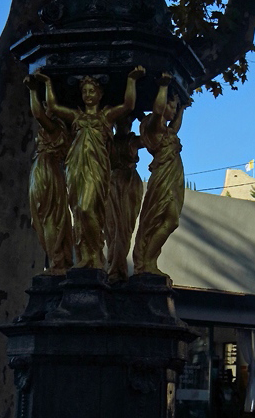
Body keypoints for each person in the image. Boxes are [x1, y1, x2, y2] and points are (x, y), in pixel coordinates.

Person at [35, 66, 145, 269]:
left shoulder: (106, 116)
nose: (87, 95)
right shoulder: (76, 117)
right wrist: (47, 84)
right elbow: (52, 105)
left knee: (88, 209)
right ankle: (85, 257)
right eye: (84, 91)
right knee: (78, 210)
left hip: (97, 169)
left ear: (100, 93)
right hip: (76, 168)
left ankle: (95, 256)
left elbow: (128, 105)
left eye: (91, 91)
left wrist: (131, 80)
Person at [133, 74, 191, 277]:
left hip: (173, 175)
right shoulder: (153, 124)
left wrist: (182, 109)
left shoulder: (168, 131)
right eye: (172, 106)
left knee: (171, 220)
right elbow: (158, 111)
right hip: (163, 176)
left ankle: (149, 260)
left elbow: (175, 127)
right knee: (164, 218)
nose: (173, 111)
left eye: (175, 108)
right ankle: (147, 262)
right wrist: (163, 87)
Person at [25, 74, 73, 274]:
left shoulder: (55, 128)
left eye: (48, 105)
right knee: (44, 219)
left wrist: (34, 89)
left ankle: (57, 262)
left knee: (50, 217)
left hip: (47, 170)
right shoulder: (59, 131)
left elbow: (37, 114)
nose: (45, 108)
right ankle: (57, 260)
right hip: (44, 170)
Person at [105, 113, 143, 282]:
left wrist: (142, 117)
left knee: (124, 227)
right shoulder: (107, 141)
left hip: (128, 184)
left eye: (127, 121)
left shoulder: (133, 141)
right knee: (111, 228)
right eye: (120, 122)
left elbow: (154, 136)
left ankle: (118, 268)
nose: (124, 125)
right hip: (111, 183)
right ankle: (112, 265)